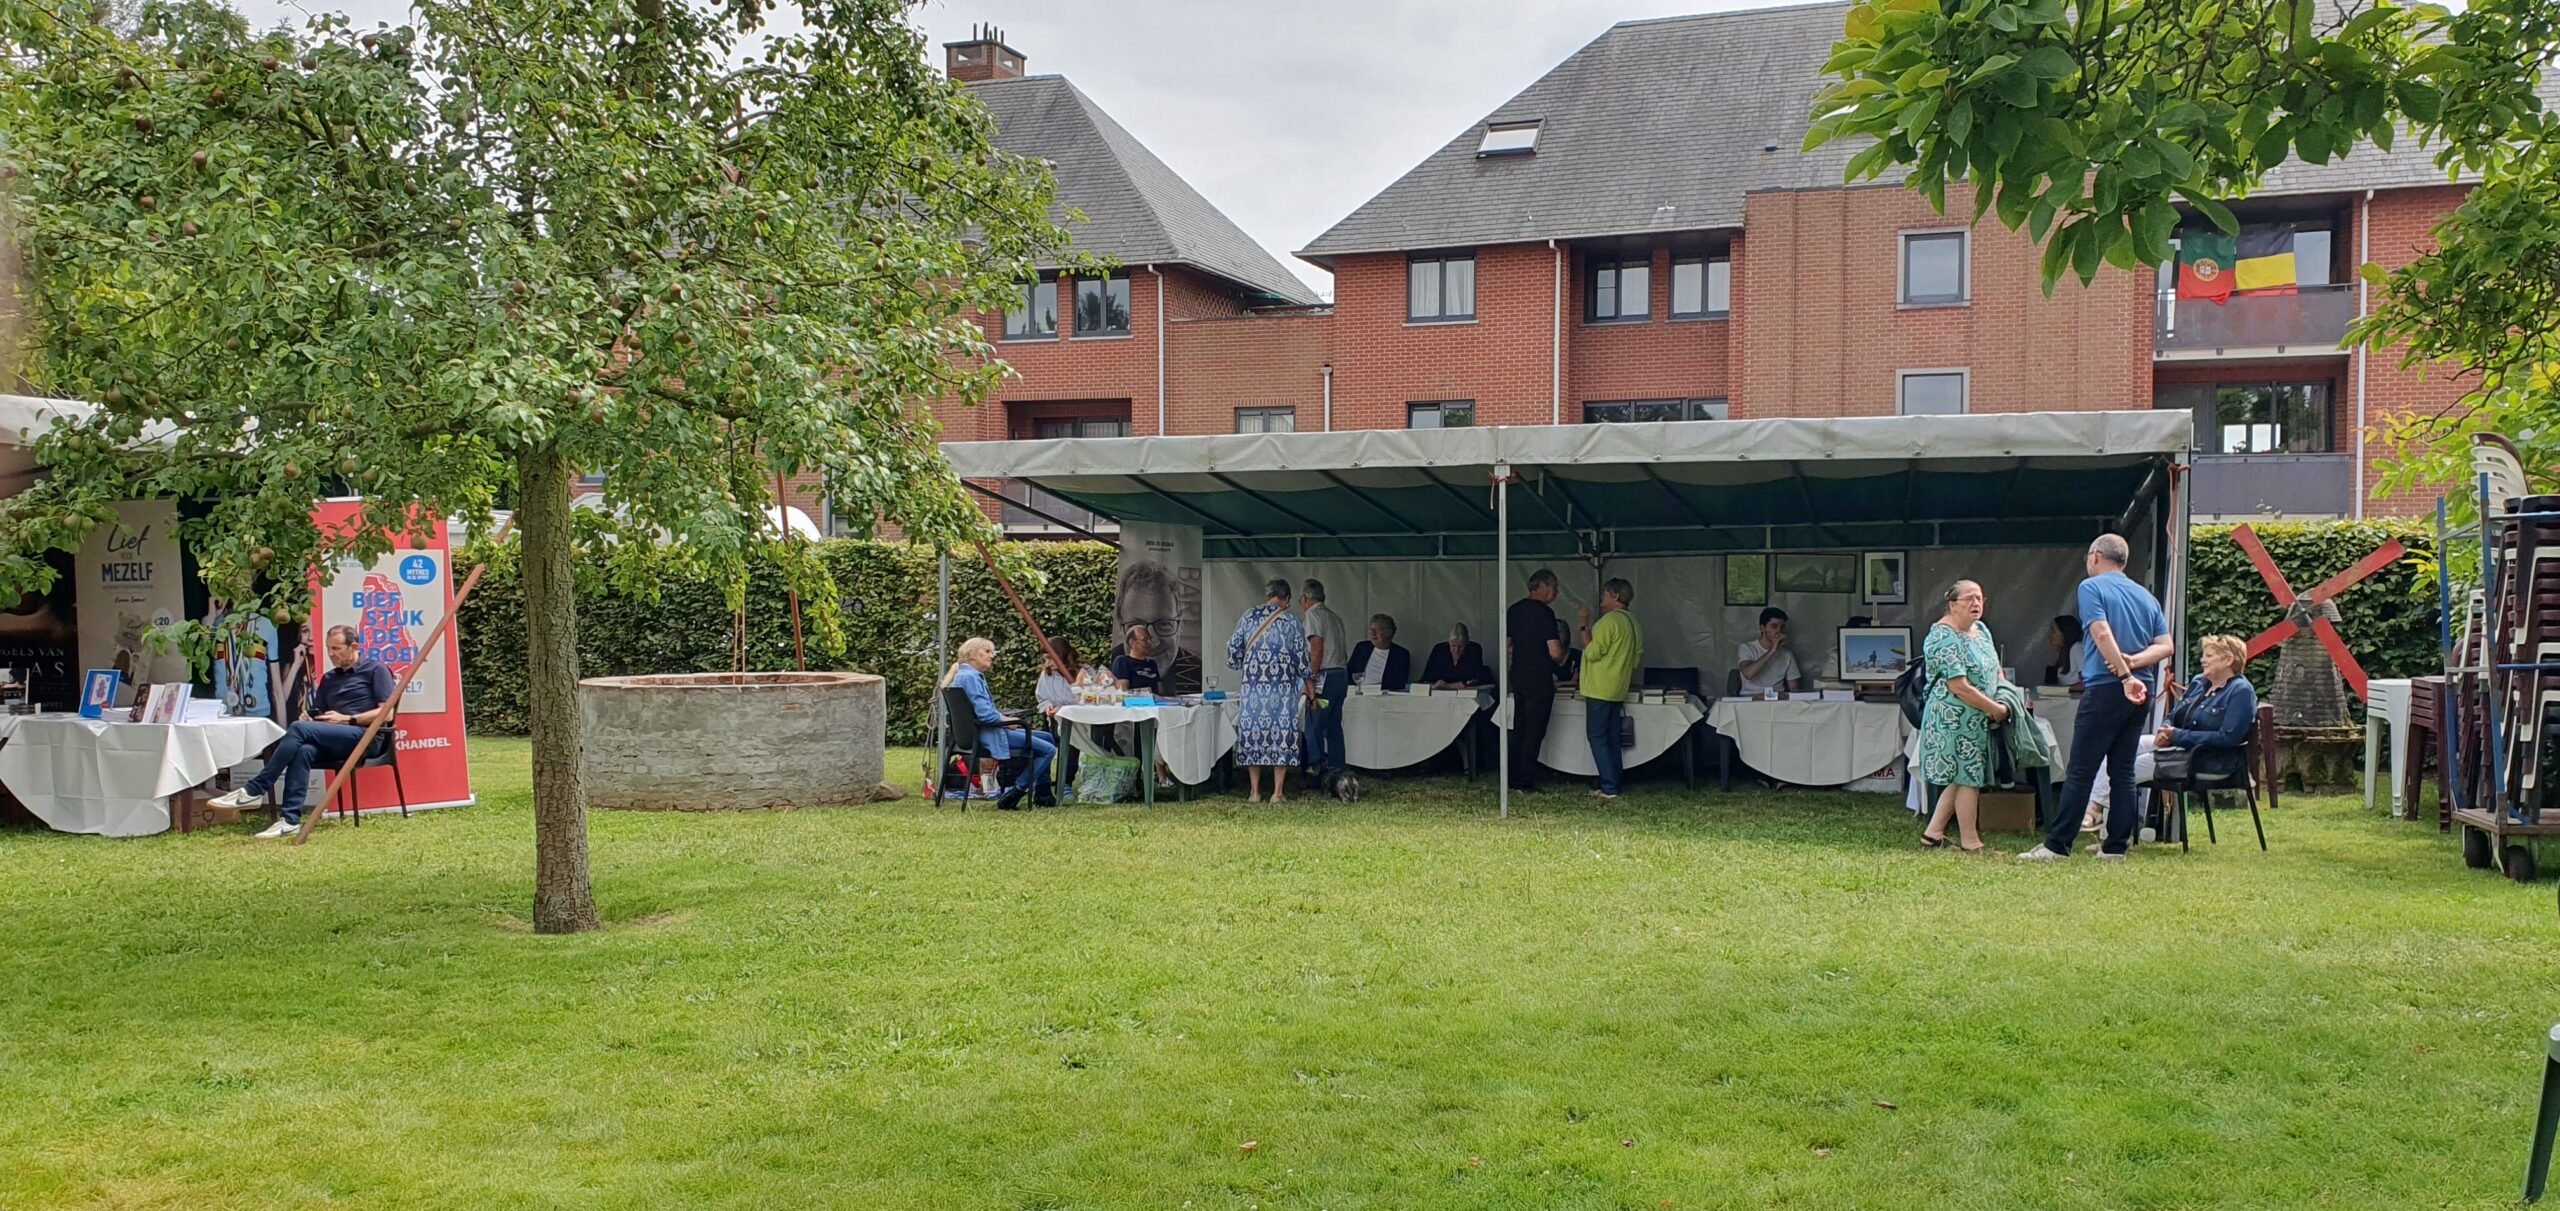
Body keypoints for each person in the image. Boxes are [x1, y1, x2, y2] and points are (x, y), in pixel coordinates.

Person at [2022, 533, 2176, 861]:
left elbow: (2100, 631)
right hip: (2142, 688)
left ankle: (2057, 845)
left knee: (2081, 769)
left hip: (2108, 687)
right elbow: (2166, 646)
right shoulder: (2146, 596)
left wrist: (2122, 674)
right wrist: (2134, 664)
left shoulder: (2091, 587)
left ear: (2094, 556)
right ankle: (2115, 847)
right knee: (2122, 770)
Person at [209, 625, 398, 836]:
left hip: (366, 736)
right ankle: (290, 821)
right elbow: (319, 711)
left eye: (336, 648)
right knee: (303, 750)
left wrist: (348, 719)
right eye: (328, 648)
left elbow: (386, 714)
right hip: (336, 737)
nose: (331, 654)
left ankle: (255, 789)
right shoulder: (329, 678)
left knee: (299, 729)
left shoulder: (375, 670)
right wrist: (309, 716)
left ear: (354, 646)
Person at [2089, 633, 2262, 821]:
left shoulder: (2241, 691)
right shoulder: (2200, 682)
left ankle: (2106, 827)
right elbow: (2174, 716)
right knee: (2121, 749)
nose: (2202, 660)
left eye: (2209, 656)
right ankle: (2096, 813)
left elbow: (2228, 737)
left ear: (2229, 659)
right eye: (2203, 655)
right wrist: (2165, 729)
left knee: (2127, 769)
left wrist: (2177, 736)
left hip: (2209, 760)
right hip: (2181, 747)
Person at [1917, 580, 2010, 853]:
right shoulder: (1941, 637)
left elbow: (1996, 668)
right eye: (1969, 599)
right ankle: (1971, 842)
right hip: (1953, 718)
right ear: (1952, 604)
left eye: (1979, 598)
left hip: (1977, 717)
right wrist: (1994, 709)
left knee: (1962, 776)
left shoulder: (1981, 630)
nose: (1976, 604)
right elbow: (1958, 686)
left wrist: (2005, 696)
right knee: (1969, 777)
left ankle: (1933, 833)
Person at [940, 637, 1054, 810]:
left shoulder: (962, 675)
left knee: (1047, 737)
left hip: (977, 733)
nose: (991, 656)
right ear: (971, 654)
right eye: (987, 651)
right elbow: (986, 716)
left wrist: (1004, 719)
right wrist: (1008, 721)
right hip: (988, 735)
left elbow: (981, 711)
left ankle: (1043, 792)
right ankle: (1017, 791)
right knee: (1049, 750)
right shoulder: (971, 678)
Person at [1229, 579, 1311, 803]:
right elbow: (1303, 658)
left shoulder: (1249, 616)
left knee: (1253, 736)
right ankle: (1277, 792)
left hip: (1253, 689)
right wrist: (1305, 677)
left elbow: (1233, 648)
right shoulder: (1291, 621)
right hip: (1283, 690)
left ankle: (1254, 792)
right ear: (1287, 598)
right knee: (1281, 737)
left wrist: (1243, 665)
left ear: (1268, 595)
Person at [1577, 577, 1644, 801]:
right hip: (1618, 688)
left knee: (1597, 736)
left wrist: (1584, 627)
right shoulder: (1633, 622)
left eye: (1604, 595)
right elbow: (1636, 658)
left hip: (1599, 687)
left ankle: (1609, 786)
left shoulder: (1607, 623)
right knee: (1613, 737)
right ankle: (1614, 780)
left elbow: (1593, 652)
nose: (1601, 600)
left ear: (1614, 596)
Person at [1504, 569, 1566, 793]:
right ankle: (1526, 780)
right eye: (1554, 588)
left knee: (1519, 727)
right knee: (1534, 730)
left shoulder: (1514, 610)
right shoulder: (1545, 614)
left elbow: (1507, 645)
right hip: (1539, 677)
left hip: (1518, 674)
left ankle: (1511, 777)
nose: (1556, 592)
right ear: (1543, 586)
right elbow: (1555, 651)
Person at [1299, 579, 1351, 775]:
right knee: (1334, 726)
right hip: (1340, 675)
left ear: (1305, 598)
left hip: (1324, 677)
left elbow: (1316, 648)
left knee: (1314, 723)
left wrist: (1310, 679)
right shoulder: (1336, 618)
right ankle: (1338, 768)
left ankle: (1317, 769)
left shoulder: (1313, 616)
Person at [1736, 606, 1801, 696]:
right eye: (1774, 626)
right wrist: (1771, 652)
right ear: (1762, 628)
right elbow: (1748, 674)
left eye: (1782, 627)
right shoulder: (1747, 648)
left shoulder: (1787, 654)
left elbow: (1793, 688)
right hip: (1750, 698)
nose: (1779, 631)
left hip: (1777, 699)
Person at [1347, 614, 1411, 690]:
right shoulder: (1361, 648)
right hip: (1358, 693)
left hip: (1383, 697)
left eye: (1378, 630)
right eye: (1371, 629)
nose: (1373, 634)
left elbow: (1399, 684)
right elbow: (1349, 673)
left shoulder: (1401, 655)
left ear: (1390, 632)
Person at [1424, 624, 1491, 688]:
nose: (1456, 651)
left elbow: (1475, 680)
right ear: (1448, 642)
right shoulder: (1439, 650)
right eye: (1453, 646)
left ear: (1466, 643)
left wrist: (1448, 686)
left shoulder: (1474, 650)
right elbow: (1427, 679)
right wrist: (1435, 685)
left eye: (1461, 647)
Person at [1035, 638, 1082, 715]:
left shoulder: (1084, 672)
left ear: (1061, 655)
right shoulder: (1046, 674)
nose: (1047, 662)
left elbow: (1090, 702)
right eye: (1045, 658)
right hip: (1057, 722)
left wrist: (1064, 710)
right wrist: (1048, 706)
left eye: (1050, 658)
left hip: (1081, 722)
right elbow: (1042, 699)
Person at [1111, 624, 1161, 694]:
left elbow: (1159, 691)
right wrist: (1147, 693)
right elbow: (1122, 691)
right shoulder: (1122, 661)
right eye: (1145, 639)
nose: (1150, 642)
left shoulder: (1152, 663)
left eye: (1150, 639)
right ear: (1132, 643)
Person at [2045, 615, 2086, 688]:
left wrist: (2064, 690)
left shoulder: (2076, 648)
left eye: (2053, 631)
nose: (2050, 635)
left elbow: (2086, 683)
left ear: (2064, 633)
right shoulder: (2061, 653)